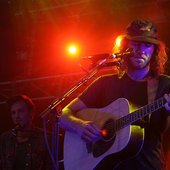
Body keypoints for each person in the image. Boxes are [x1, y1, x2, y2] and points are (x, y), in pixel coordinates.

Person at [60, 19, 170, 170]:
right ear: (125, 46)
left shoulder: (165, 85)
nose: (141, 50)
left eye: (147, 45)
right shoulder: (105, 83)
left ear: (154, 51)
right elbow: (64, 114)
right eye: (136, 44)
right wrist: (79, 126)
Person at [0, 94, 51, 170]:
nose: (17, 116)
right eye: (13, 113)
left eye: (20, 111)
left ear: (31, 112)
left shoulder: (45, 137)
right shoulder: (5, 139)